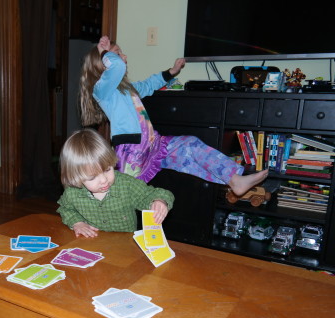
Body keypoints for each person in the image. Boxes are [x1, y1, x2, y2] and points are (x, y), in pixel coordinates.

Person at [78, 35, 268, 197]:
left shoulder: (128, 88)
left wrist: (172, 72)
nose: (124, 56)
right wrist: (104, 52)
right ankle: (98, 220)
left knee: (190, 144)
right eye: (118, 52)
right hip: (132, 150)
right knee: (122, 196)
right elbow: (117, 66)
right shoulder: (102, 91)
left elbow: (148, 85)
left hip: (154, 144)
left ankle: (234, 179)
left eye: (119, 52)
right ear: (101, 64)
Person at [57, 128, 174, 238]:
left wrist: (159, 201)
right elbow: (65, 209)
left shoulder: (126, 185)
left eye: (107, 170)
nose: (104, 180)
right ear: (76, 177)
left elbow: (153, 194)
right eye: (92, 177)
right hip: (92, 244)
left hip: (125, 247)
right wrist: (77, 222)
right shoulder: (72, 193)